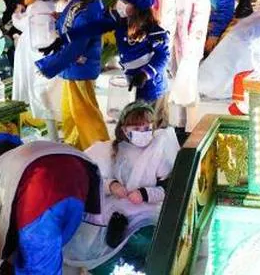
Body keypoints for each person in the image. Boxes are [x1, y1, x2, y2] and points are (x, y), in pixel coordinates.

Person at [65, 102, 180, 267]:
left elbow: (168, 188)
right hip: (115, 207)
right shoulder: (109, 150)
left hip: (145, 210)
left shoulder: (158, 152)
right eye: (137, 129)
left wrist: (144, 193)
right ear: (125, 129)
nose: (144, 133)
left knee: (146, 243)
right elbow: (92, 181)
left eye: (147, 128)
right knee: (101, 242)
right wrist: (111, 186)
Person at [0, 135, 104, 275]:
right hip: (79, 179)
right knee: (54, 246)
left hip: (41, 191)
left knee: (38, 262)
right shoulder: (26, 154)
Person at [35, 0, 110, 150]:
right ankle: (74, 145)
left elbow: (77, 44)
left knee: (85, 113)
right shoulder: (81, 2)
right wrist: (59, 17)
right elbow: (70, 20)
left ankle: (98, 148)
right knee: (71, 112)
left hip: (80, 67)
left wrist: (49, 65)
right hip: (73, 67)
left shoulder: (90, 9)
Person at [152, 0, 211, 130]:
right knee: (162, 82)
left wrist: (195, 38)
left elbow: (201, 9)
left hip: (187, 37)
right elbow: (154, 1)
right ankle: (164, 124)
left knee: (186, 83)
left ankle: (189, 129)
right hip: (162, 35)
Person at [11, 0, 68, 132]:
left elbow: (21, 24)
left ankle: (50, 129)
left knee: (41, 93)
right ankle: (53, 132)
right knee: (47, 93)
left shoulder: (36, 7)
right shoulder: (53, 7)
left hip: (33, 51)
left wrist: (17, 13)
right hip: (46, 53)